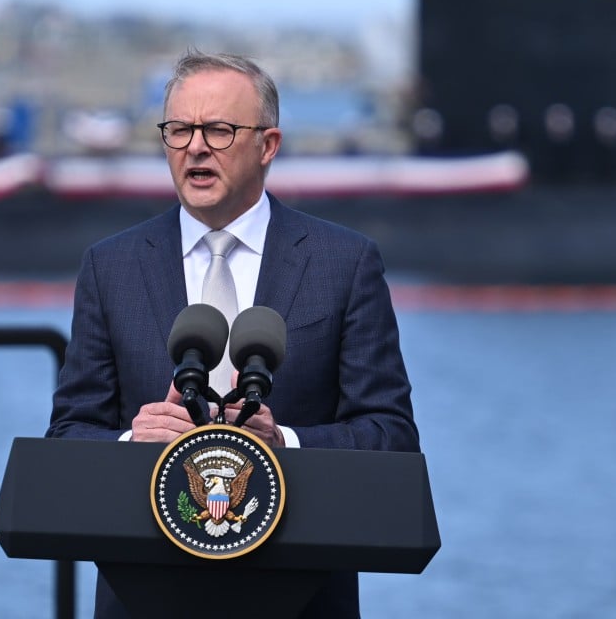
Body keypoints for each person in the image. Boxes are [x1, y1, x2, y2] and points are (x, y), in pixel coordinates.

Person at [46, 51, 419, 618]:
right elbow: (67, 436)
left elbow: (391, 436)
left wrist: (284, 444)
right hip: (145, 597)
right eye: (179, 130)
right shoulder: (110, 267)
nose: (195, 147)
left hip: (301, 599)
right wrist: (131, 443)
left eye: (218, 130)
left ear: (268, 145)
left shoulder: (343, 264)